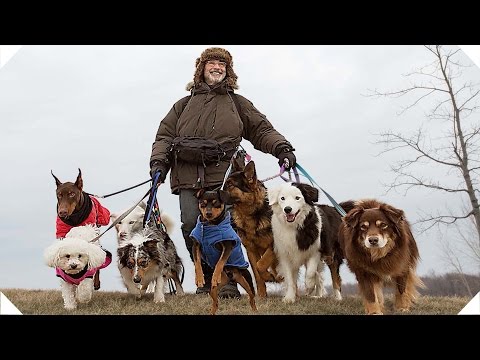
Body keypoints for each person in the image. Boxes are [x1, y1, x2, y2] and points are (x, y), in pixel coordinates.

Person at [149, 47, 296, 298]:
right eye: (212, 63)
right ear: (201, 68)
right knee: (191, 226)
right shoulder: (182, 106)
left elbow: (261, 130)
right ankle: (207, 279)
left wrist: (282, 148)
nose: (217, 67)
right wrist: (158, 164)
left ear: (228, 71)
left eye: (222, 64)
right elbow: (164, 137)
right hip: (187, 176)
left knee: (226, 228)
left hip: (225, 176)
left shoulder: (237, 104)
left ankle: (228, 281)